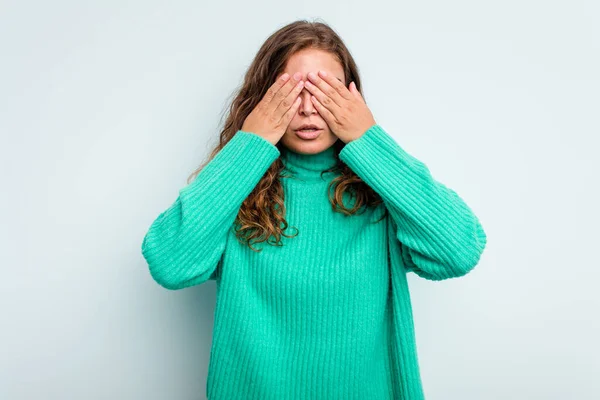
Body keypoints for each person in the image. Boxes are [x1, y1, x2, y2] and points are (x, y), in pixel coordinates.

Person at [141, 19, 487, 400]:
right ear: (264, 98)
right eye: (291, 92)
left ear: (352, 100)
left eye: (325, 91)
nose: (308, 109)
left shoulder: (383, 192)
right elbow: (170, 264)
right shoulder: (234, 187)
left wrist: (368, 138)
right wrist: (250, 143)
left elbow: (459, 251)